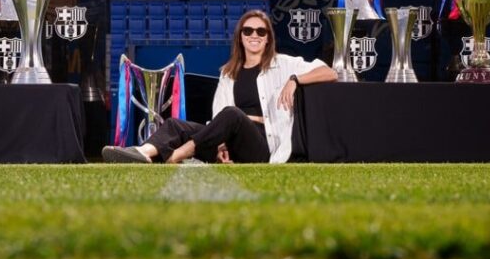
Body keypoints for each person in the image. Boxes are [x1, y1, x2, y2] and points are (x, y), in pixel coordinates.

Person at [101, 9, 337, 164]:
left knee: (233, 115)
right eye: (248, 30)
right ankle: (144, 153)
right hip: (228, 139)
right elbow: (219, 117)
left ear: (267, 38)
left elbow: (330, 72)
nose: (254, 35)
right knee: (176, 124)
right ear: (240, 37)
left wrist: (295, 80)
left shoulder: (284, 64)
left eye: (260, 31)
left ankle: (182, 153)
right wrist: (220, 144)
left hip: (264, 147)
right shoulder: (228, 73)